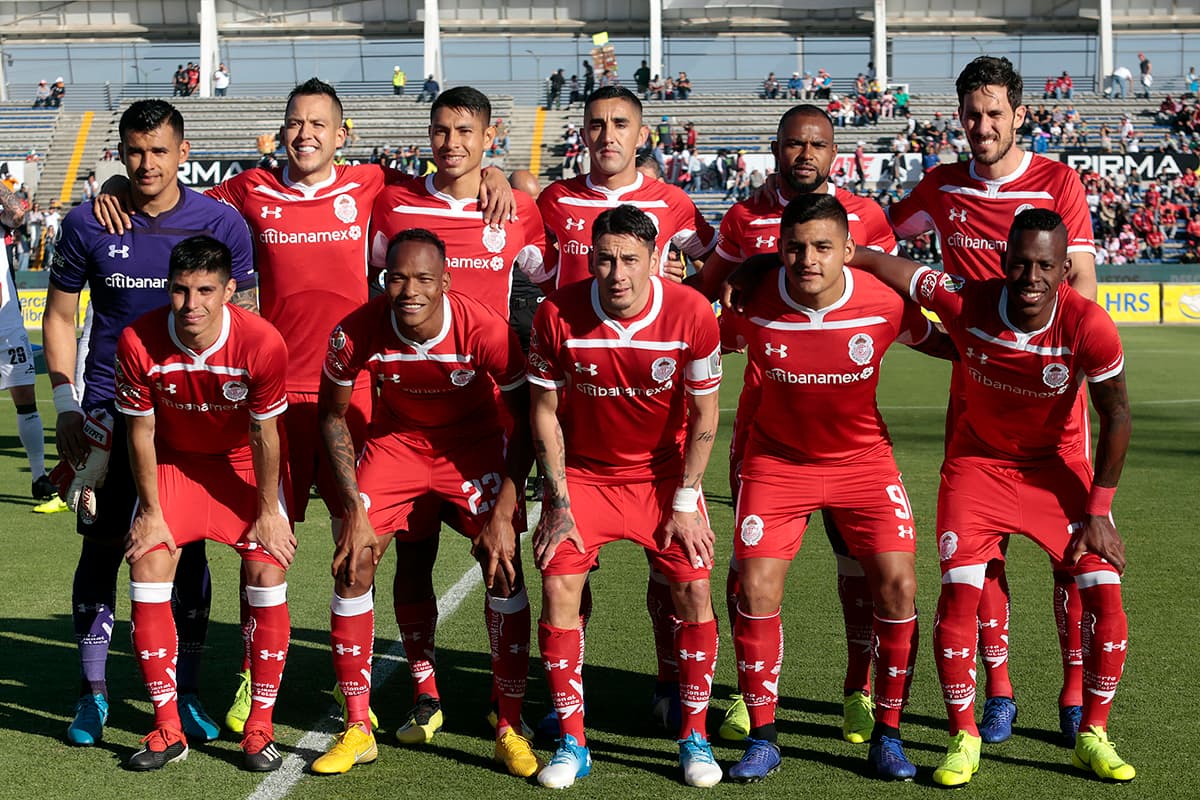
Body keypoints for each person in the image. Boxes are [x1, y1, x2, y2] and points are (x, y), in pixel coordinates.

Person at [90, 78, 515, 734]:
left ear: (341, 135)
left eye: (318, 123)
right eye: (294, 122)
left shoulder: (373, 185)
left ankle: (376, 686)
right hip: (277, 402)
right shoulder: (251, 190)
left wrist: (499, 172)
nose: (305, 133)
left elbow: (447, 178)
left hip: (358, 398)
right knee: (266, 539)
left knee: (370, 542)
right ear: (281, 131)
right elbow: (174, 194)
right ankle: (248, 681)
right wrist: (120, 185)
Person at [851, 208, 1136, 786]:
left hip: (1053, 471)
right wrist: (849, 252)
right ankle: (964, 736)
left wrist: (1099, 510)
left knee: (1104, 589)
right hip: (977, 470)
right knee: (959, 595)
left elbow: (1117, 414)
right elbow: (903, 271)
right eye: (1023, 263)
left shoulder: (1090, 325)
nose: (1032, 277)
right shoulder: (968, 301)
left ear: (1065, 270)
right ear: (1005, 261)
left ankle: (1093, 734)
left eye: (1046, 266)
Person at [887, 55, 1098, 748]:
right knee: (982, 556)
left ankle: (1073, 691)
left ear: (1018, 116)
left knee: (1073, 555)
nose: (982, 126)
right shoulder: (942, 187)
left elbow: (1085, 285)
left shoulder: (1057, 182)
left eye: (995, 114)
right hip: (975, 403)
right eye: (972, 114)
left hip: (1051, 403)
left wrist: (1062, 365)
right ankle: (999, 690)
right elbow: (876, 243)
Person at [693, 104, 911, 748]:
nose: (805, 155)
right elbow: (711, 293)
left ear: (834, 150)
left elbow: (880, 294)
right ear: (776, 148)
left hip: (844, 420)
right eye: (793, 145)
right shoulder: (741, 217)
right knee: (750, 571)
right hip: (766, 424)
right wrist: (747, 268)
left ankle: (859, 688)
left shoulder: (865, 218)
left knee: (858, 565)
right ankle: (752, 696)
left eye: (818, 144)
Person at [44, 99, 256, 749]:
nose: (146, 164)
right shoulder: (87, 223)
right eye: (134, 151)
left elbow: (244, 320)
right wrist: (66, 404)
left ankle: (184, 691)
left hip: (190, 417)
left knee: (185, 548)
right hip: (108, 416)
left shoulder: (222, 223)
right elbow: (58, 317)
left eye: (159, 150)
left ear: (183, 151)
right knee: (105, 543)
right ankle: (93, 693)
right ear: (120, 151)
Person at [721, 193, 945, 782]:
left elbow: (947, 344)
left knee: (898, 586)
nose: (808, 259)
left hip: (863, 463)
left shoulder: (882, 305)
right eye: (794, 247)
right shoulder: (753, 302)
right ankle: (764, 736)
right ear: (778, 251)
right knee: (756, 585)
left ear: (850, 250)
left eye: (823, 246)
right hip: (777, 464)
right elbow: (696, 339)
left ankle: (889, 735)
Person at [312, 228, 536, 776]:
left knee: (504, 566)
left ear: (446, 283)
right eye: (397, 278)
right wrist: (353, 514)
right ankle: (358, 727)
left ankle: (508, 721)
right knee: (352, 565)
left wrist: (505, 512)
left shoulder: (485, 329)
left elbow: (528, 418)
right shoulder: (357, 330)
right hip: (399, 446)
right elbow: (332, 416)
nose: (409, 290)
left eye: (422, 279)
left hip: (474, 444)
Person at [528, 204, 724, 789]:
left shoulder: (691, 312)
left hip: (662, 477)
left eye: (630, 260)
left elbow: (706, 412)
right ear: (590, 258)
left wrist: (687, 501)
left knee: (693, 586)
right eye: (605, 259)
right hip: (584, 477)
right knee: (558, 583)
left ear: (657, 258)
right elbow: (543, 414)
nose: (617, 273)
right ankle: (573, 742)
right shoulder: (556, 315)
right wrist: (557, 503)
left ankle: (695, 737)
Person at [115, 235, 293, 772]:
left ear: (230, 290)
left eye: (205, 291)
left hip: (243, 466)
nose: (191, 305)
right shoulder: (137, 340)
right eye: (180, 291)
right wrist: (149, 510)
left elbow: (266, 436)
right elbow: (140, 434)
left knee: (266, 573)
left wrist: (268, 511)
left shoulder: (262, 343)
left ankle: (259, 728)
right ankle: (167, 727)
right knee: (147, 565)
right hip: (176, 466)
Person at [0, 183, 53, 504]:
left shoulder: (2, 218)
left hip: (6, 324)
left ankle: (38, 476)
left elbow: (18, 212)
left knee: (26, 400)